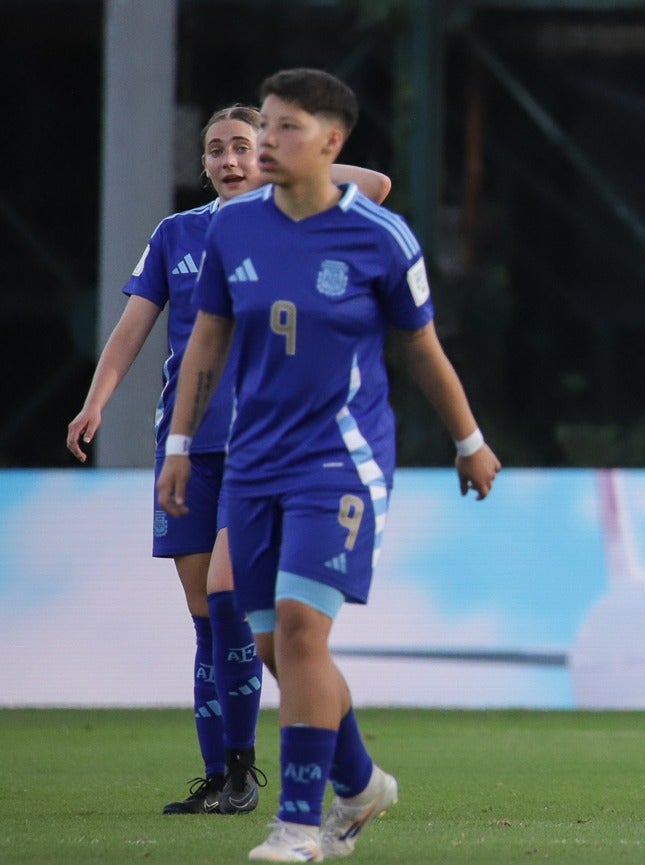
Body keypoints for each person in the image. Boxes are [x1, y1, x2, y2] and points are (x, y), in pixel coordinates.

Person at [157, 68, 500, 861]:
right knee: (277, 647)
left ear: (330, 143)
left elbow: (421, 347)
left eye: (283, 128)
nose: (265, 142)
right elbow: (205, 340)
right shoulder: (231, 233)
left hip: (339, 463)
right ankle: (361, 780)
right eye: (263, 125)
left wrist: (469, 440)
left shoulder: (380, 237)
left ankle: (302, 824)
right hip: (250, 464)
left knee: (305, 632)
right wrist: (179, 446)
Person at [66, 104, 391, 817]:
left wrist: (295, 166)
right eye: (217, 150)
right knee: (204, 616)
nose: (230, 161)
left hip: (261, 448)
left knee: (226, 600)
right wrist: (96, 402)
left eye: (244, 147)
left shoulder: (291, 221)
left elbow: (379, 182)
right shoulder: (175, 234)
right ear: (204, 163)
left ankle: (246, 774)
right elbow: (131, 330)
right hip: (183, 445)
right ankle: (221, 775)